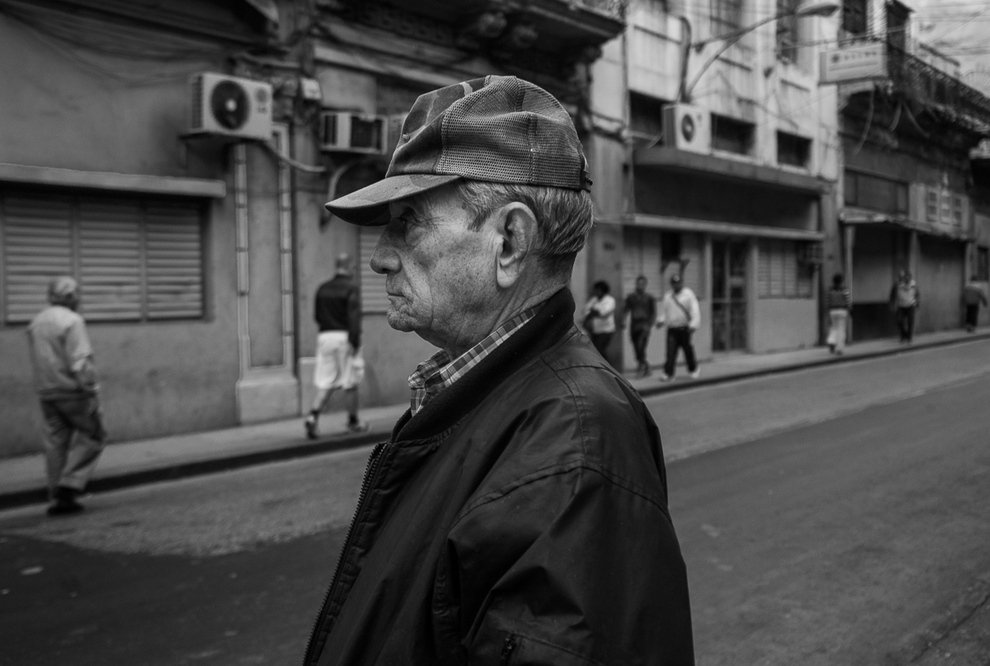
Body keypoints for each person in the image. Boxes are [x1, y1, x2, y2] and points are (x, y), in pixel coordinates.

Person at [303, 75, 694, 665]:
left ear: (510, 241)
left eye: (407, 221)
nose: (381, 256)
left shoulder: (577, 439)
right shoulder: (493, 399)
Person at [26, 276, 107, 516]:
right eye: (76, 294)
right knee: (95, 436)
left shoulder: (36, 322)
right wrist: (91, 390)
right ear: (72, 298)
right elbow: (80, 361)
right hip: (72, 391)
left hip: (46, 391)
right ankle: (69, 485)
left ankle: (56, 497)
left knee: (55, 443)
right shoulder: (73, 321)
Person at [305, 254, 368, 439]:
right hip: (344, 337)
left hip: (325, 336)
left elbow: (317, 316)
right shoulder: (351, 288)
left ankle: (312, 417)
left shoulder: (322, 288)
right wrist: (354, 342)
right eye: (354, 267)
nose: (355, 271)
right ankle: (353, 421)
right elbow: (354, 317)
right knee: (350, 381)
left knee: (326, 380)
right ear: (348, 267)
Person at [658, 273, 701, 381]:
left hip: (684, 328)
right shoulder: (668, 296)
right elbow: (665, 313)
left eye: (678, 283)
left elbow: (694, 310)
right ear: (671, 284)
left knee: (687, 351)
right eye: (674, 283)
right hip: (672, 329)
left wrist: (693, 324)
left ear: (681, 283)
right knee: (670, 352)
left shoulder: (688, 294)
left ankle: (693, 369)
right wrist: (661, 321)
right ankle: (669, 373)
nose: (676, 285)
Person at [623, 274, 658, 376]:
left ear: (645, 285)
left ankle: (641, 368)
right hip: (634, 325)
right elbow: (626, 310)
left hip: (644, 325)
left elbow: (653, 312)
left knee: (640, 346)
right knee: (636, 348)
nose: (640, 286)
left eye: (642, 284)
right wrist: (623, 321)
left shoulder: (649, 298)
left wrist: (650, 324)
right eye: (638, 283)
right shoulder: (631, 297)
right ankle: (646, 366)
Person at [582, 279, 616, 358]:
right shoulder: (594, 300)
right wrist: (592, 312)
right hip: (595, 330)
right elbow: (585, 310)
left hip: (606, 330)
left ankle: (607, 368)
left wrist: (593, 312)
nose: (595, 292)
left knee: (600, 350)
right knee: (596, 351)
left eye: (597, 290)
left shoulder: (610, 300)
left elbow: (603, 312)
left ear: (602, 291)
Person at [889, 269, 920, 343]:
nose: (907, 279)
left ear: (910, 278)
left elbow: (917, 294)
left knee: (910, 322)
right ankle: (903, 335)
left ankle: (909, 338)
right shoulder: (897, 285)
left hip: (911, 306)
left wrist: (917, 303)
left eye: (909, 278)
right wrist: (892, 304)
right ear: (904, 278)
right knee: (899, 321)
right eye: (906, 277)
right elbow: (892, 295)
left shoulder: (913, 285)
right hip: (901, 306)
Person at [826, 273, 852, 354]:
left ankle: (831, 341)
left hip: (832, 311)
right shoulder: (844, 289)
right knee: (841, 329)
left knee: (834, 327)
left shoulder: (830, 290)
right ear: (841, 281)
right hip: (842, 310)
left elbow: (828, 300)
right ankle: (839, 348)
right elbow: (847, 301)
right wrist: (850, 309)